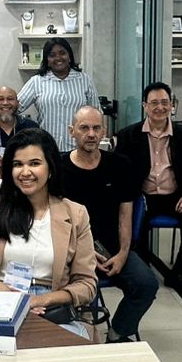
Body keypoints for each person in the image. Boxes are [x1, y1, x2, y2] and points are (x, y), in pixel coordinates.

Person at [0, 128, 98, 319]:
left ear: (51, 168)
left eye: (34, 163)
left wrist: (42, 300)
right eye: (18, 164)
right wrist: (3, 290)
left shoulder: (76, 214)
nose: (25, 172)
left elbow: (86, 284)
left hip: (51, 306)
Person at [67, 106, 156, 341]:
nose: (91, 134)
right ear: (71, 131)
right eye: (84, 128)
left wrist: (123, 253)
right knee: (76, 290)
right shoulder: (59, 168)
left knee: (146, 285)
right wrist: (84, 253)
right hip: (72, 251)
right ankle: (79, 337)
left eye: (96, 128)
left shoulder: (120, 165)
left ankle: (117, 333)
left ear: (104, 132)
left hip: (113, 250)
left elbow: (125, 216)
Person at [115, 83, 182, 297]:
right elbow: (120, 173)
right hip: (143, 197)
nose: (160, 107)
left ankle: (179, 272)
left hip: (174, 195)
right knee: (133, 222)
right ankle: (141, 273)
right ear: (145, 106)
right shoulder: (128, 135)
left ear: (171, 105)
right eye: (154, 103)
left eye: (165, 102)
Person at [16, 39, 100, 152]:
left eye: (62, 53)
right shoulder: (37, 81)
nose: (58, 58)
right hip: (47, 149)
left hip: (79, 150)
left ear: (69, 56)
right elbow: (14, 107)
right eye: (52, 55)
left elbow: (97, 113)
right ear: (47, 60)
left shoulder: (84, 80)